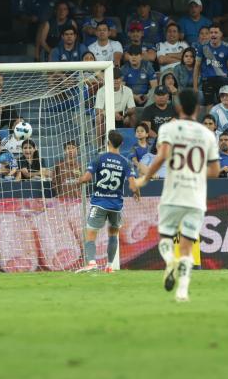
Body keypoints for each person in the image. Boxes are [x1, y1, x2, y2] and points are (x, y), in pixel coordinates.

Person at [134, 89, 220, 303]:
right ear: (198, 109)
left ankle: (169, 260)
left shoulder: (169, 129)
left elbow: (161, 156)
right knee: (187, 246)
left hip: (173, 194)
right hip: (195, 197)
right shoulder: (207, 134)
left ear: (179, 107)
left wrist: (144, 179)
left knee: (165, 238)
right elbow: (215, 171)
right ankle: (182, 292)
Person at [77, 130, 141, 273]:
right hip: (116, 206)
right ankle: (110, 265)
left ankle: (92, 263)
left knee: (90, 233)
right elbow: (132, 185)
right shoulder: (126, 162)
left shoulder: (100, 158)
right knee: (113, 234)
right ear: (121, 144)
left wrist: (79, 180)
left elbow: (87, 178)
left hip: (100, 202)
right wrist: (136, 192)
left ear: (108, 143)